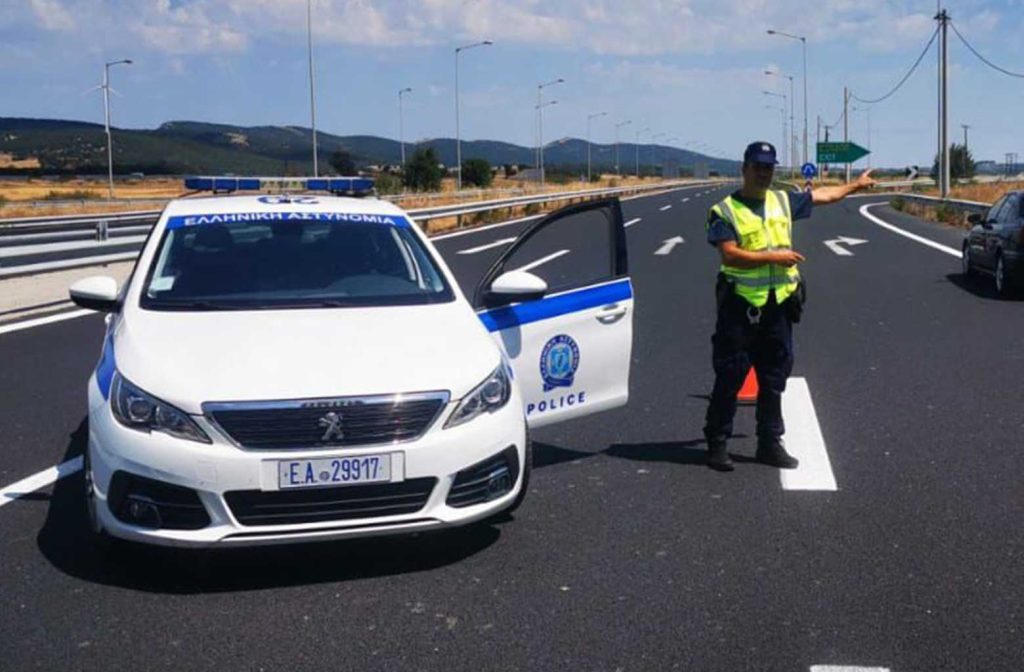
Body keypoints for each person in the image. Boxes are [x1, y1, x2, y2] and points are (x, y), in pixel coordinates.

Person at [703, 141, 877, 472]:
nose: (764, 173)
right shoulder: (724, 210)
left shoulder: (782, 200)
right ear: (744, 169)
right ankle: (717, 443)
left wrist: (855, 185)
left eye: (769, 167)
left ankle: (769, 443)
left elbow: (823, 196)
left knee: (773, 377)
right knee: (730, 376)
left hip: (778, 305)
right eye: (758, 167)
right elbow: (729, 254)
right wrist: (774, 257)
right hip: (740, 306)